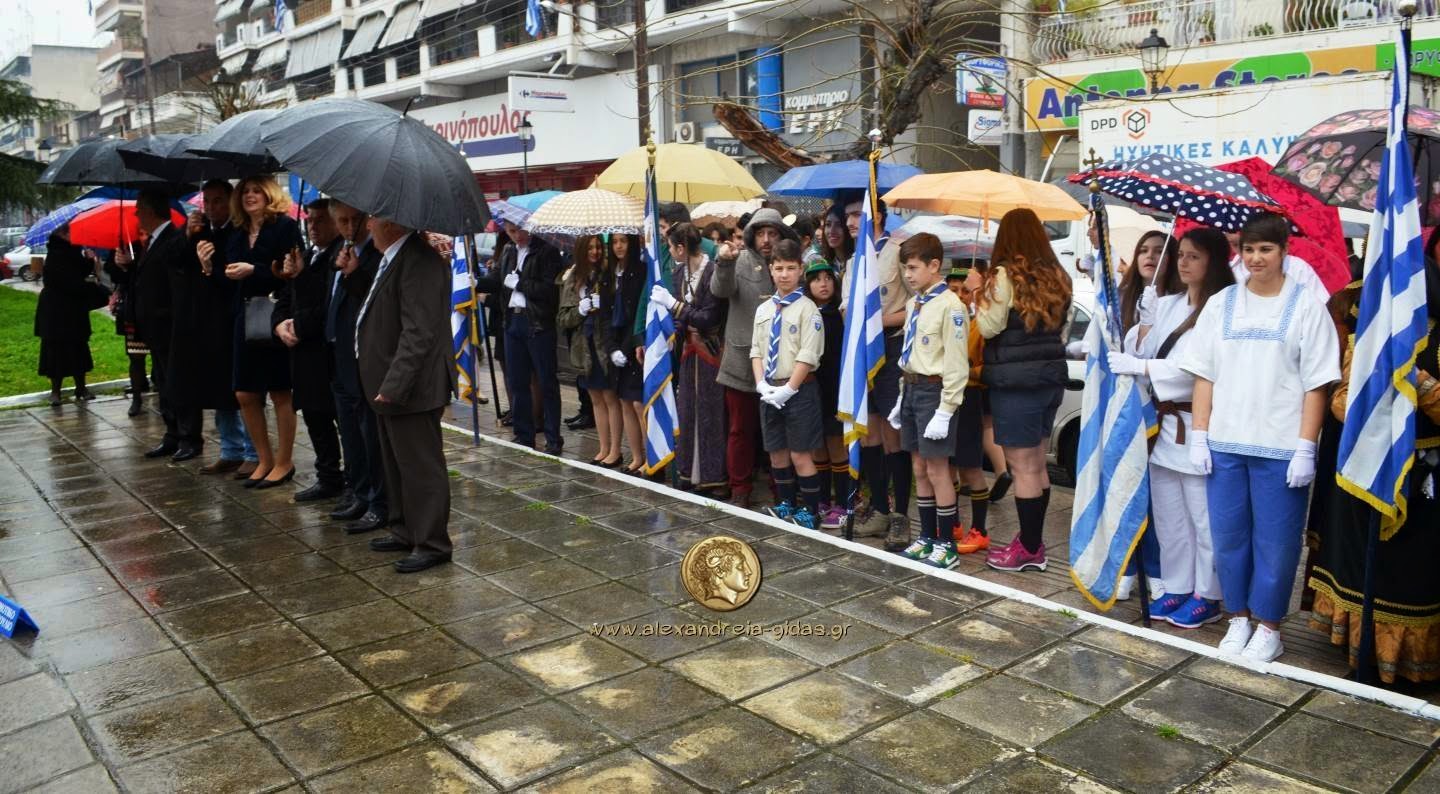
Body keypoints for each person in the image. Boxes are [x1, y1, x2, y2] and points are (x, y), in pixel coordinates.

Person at [1181, 212, 1340, 662]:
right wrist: (1200, 435)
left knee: (1276, 542)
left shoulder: (1306, 305)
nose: (1255, 258)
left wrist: (1306, 447)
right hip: (1225, 444)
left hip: (1281, 447)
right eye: (1248, 249)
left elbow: (1317, 383)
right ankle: (1238, 617)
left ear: (1284, 251)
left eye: (1265, 249)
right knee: (1229, 537)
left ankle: (1269, 626)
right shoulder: (1222, 303)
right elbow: (1205, 375)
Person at [1308, 255, 1440, 683]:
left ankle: (1407, 666)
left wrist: (1418, 383)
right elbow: (1341, 398)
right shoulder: (1369, 340)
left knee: (1409, 573)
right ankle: (1362, 655)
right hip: (1367, 469)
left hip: (1422, 478)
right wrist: (1366, 397)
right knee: (1365, 566)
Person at [1109, 228, 1235, 628]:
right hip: (1162, 425)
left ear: (1213, 261)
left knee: (1202, 517)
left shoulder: (1223, 308)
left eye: (1194, 256)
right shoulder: (1167, 303)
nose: (1183, 262)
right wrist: (1145, 325)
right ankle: (1178, 586)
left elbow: (1197, 371)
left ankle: (1208, 594)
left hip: (1196, 423)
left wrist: (1143, 365)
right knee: (1169, 516)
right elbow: (1137, 353)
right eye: (1181, 255)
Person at [355, 215, 456, 574]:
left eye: (373, 219)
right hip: (387, 382)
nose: (368, 226)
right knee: (396, 464)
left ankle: (431, 543)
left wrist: (395, 384)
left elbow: (419, 331)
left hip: (411, 386)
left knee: (420, 466)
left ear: (391, 223)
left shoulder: (419, 260)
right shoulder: (395, 256)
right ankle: (405, 529)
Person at [977, 208, 1073, 573]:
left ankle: (1030, 549)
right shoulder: (1058, 276)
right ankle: (1033, 542)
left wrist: (979, 294)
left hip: (1015, 384)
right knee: (1036, 465)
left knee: (1022, 467)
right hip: (1050, 380)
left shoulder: (1003, 275)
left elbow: (989, 327)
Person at [199, 175, 303, 489]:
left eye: (257, 190)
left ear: (270, 193)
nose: (250, 195)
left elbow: (292, 271)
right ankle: (263, 458)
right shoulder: (238, 231)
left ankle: (284, 462)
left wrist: (255, 270)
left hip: (274, 314)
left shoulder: (284, 227)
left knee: (280, 390)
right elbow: (227, 280)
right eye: (245, 191)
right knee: (244, 392)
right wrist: (209, 268)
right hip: (244, 316)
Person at [885, 233, 969, 568]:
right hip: (912, 389)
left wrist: (946, 410)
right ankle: (927, 537)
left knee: (937, 469)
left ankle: (946, 543)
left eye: (913, 267)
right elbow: (911, 355)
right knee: (919, 467)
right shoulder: (914, 304)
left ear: (934, 266)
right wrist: (901, 398)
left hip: (935, 392)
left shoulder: (951, 306)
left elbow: (957, 364)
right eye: (905, 268)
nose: (907, 275)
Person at [841, 194, 914, 548]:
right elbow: (845, 306)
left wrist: (878, 321)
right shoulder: (854, 261)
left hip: (891, 346)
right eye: (848, 217)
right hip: (861, 351)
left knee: (892, 433)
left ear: (877, 217)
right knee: (867, 431)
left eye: (857, 215)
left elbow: (915, 302)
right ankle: (880, 508)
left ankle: (901, 516)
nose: (850, 223)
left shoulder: (897, 252)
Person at [712, 209, 797, 507]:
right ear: (751, 236)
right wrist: (724, 261)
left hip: (782, 364)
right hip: (741, 361)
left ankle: (782, 491)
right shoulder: (739, 260)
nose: (766, 239)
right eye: (760, 233)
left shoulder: (789, 265)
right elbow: (719, 290)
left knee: (779, 431)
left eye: (772, 233)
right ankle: (740, 488)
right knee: (740, 430)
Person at [183, 179, 258, 478]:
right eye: (207, 202)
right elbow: (182, 269)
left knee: (243, 389)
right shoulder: (203, 232)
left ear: (230, 202)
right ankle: (230, 450)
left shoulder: (237, 233)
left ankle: (253, 451)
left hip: (234, 317)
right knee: (218, 386)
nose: (211, 208)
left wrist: (209, 268)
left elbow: (228, 279)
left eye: (218, 201)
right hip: (208, 321)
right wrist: (189, 236)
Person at [274, 199, 346, 502]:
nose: (313, 226)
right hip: (302, 356)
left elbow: (322, 306)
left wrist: (302, 277)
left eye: (320, 220)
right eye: (309, 220)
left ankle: (354, 479)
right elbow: (284, 300)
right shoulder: (303, 255)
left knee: (341, 421)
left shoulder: (339, 257)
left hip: (326, 354)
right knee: (315, 419)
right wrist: (280, 325)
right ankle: (328, 476)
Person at [750, 239, 825, 529]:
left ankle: (811, 511)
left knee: (800, 453)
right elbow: (756, 350)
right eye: (779, 268)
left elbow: (808, 354)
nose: (784, 274)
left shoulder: (808, 310)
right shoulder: (763, 309)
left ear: (800, 269)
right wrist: (761, 384)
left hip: (799, 389)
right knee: (777, 451)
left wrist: (789, 389)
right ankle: (786, 503)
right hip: (770, 389)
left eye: (790, 268)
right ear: (771, 269)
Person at [126, 188, 203, 460]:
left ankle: (190, 437)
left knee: (179, 381)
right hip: (153, 327)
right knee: (162, 381)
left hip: (170, 323)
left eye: (138, 209)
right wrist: (128, 266)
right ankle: (172, 433)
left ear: (150, 211)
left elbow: (177, 276)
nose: (136, 214)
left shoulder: (174, 237)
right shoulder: (151, 242)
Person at [327, 200, 389, 534]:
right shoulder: (339, 251)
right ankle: (359, 491)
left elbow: (374, 302)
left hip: (363, 358)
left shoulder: (376, 255)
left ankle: (378, 500)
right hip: (338, 354)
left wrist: (353, 274)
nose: (350, 227)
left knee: (369, 434)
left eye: (355, 219)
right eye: (343, 221)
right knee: (350, 431)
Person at [653, 222, 727, 492]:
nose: (670, 251)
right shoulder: (679, 272)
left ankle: (714, 477)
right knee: (687, 410)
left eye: (671, 246)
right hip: (688, 351)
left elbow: (709, 317)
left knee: (711, 413)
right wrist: (669, 333)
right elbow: (682, 318)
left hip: (710, 350)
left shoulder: (712, 271)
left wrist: (674, 306)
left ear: (681, 248)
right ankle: (689, 472)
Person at [479, 221, 564, 455]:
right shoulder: (508, 251)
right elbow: (497, 280)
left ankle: (553, 437)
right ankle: (524, 434)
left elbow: (549, 290)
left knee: (546, 382)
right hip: (512, 321)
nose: (517, 236)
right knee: (517, 382)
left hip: (537, 322)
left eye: (520, 230)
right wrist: (476, 282)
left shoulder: (546, 251)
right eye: (511, 231)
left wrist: (521, 283)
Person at [557, 235, 622, 467]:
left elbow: (620, 309)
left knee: (610, 398)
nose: (595, 252)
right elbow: (563, 319)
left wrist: (605, 305)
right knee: (596, 399)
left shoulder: (609, 273)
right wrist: (581, 310)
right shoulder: (573, 277)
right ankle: (603, 448)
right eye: (590, 248)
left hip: (605, 345)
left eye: (598, 247)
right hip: (584, 347)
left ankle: (616, 450)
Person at [946, 261, 992, 554]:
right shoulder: (946, 318)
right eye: (954, 290)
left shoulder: (980, 325)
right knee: (948, 463)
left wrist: (965, 370)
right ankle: (953, 522)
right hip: (946, 397)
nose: (960, 296)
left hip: (970, 396)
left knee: (971, 467)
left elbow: (987, 367)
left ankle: (980, 529)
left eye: (965, 291)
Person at [804, 259, 849, 531]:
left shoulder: (839, 314)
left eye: (828, 278)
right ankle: (822, 499)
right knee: (817, 445)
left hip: (835, 387)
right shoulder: (806, 312)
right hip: (812, 386)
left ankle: (843, 503)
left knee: (836, 444)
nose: (823, 284)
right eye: (816, 279)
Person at [34, 226, 99, 406]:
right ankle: (56, 391)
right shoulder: (56, 254)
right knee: (56, 351)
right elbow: (70, 281)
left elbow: (80, 272)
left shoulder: (73, 251)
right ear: (62, 235)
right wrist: (90, 286)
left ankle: (81, 388)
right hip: (56, 311)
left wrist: (89, 260)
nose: (73, 235)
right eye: (69, 232)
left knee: (78, 347)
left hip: (73, 310)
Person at [608, 233, 647, 474]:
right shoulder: (611, 273)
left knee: (638, 403)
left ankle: (650, 458)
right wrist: (612, 347)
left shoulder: (640, 270)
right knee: (624, 401)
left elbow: (637, 313)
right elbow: (608, 313)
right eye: (614, 242)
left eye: (623, 241)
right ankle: (636, 456)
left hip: (635, 344)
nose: (618, 246)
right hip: (616, 342)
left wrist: (626, 346)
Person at [104, 245, 150, 417]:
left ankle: (166, 396)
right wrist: (121, 266)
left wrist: (134, 263)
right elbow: (115, 275)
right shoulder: (124, 243)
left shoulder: (163, 240)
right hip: (134, 309)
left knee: (162, 357)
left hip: (159, 310)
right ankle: (137, 398)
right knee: (135, 355)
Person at [1119, 231, 1181, 335]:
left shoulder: (1181, 304)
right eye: (1143, 251)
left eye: (1159, 251)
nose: (1150, 256)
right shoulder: (1119, 298)